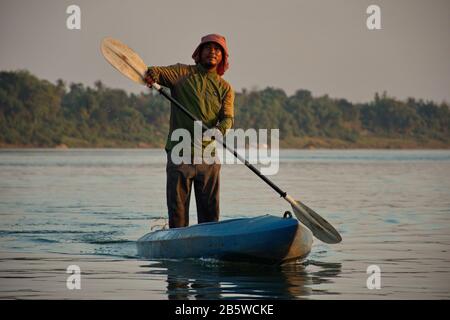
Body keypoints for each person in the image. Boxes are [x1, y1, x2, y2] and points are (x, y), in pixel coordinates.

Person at [144, 34, 234, 229]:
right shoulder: (182, 73)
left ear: (222, 58)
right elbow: (156, 72)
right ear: (199, 53)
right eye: (208, 48)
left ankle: (209, 248)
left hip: (208, 156)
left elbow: (228, 118)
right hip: (179, 153)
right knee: (178, 215)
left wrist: (219, 130)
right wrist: (152, 75)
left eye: (217, 49)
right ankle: (177, 243)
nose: (212, 52)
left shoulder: (225, 88)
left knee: (210, 218)